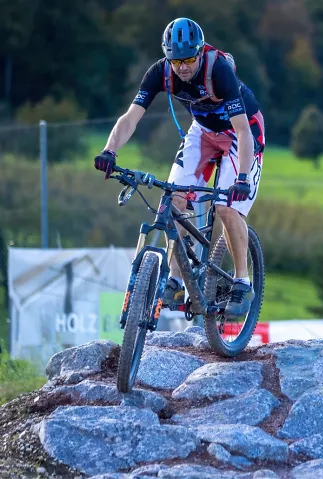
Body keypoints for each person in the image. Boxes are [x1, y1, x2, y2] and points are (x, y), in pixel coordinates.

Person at [93, 17, 265, 319]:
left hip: (243, 132)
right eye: (175, 61)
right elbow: (131, 117)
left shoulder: (219, 70)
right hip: (203, 131)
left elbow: (242, 131)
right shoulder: (160, 73)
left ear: (200, 53)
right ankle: (174, 276)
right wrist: (110, 150)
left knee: (226, 208)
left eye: (188, 59)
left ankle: (242, 281)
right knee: (173, 198)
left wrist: (240, 178)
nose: (182, 67)